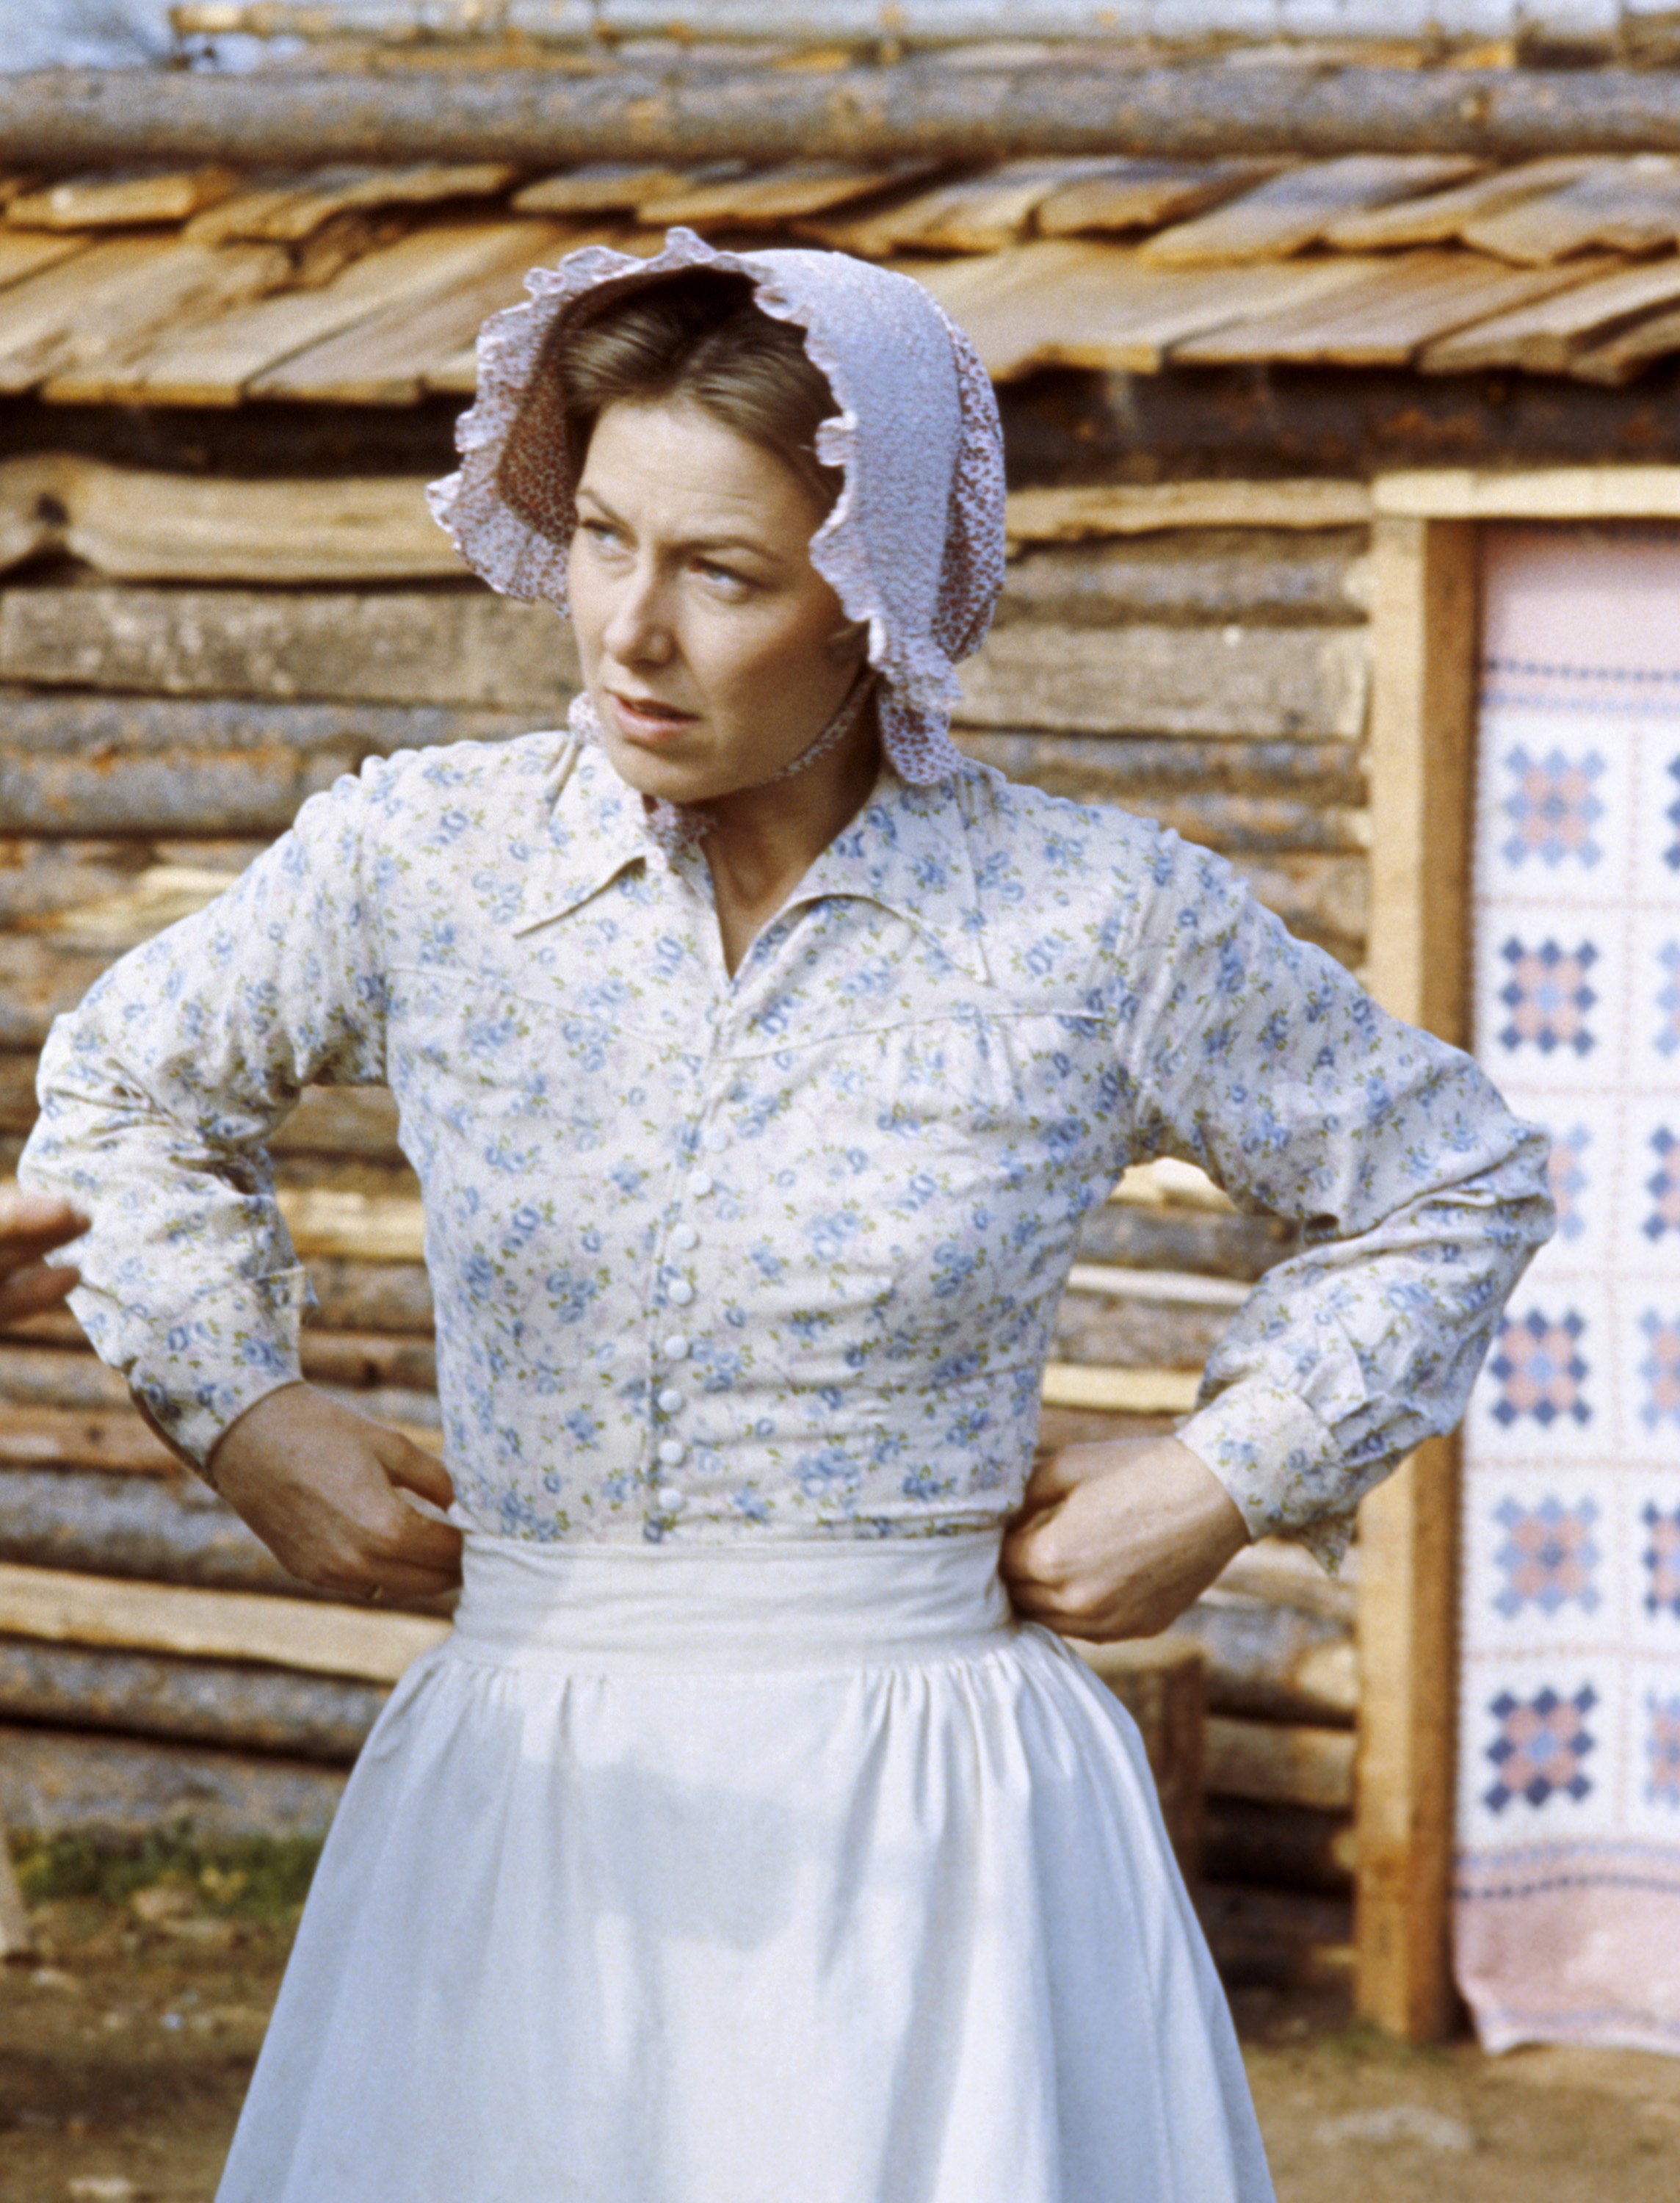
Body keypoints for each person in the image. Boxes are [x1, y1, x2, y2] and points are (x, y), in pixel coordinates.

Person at [18, 231, 1552, 2203]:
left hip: (940, 1833)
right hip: (533, 1796)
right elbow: (125, 1090)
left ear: (870, 607)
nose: (628, 634)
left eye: (724, 574)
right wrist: (239, 1410)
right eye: (604, 542)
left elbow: (1451, 1178)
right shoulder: (427, 861)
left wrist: (1226, 1475)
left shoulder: (1089, 920)